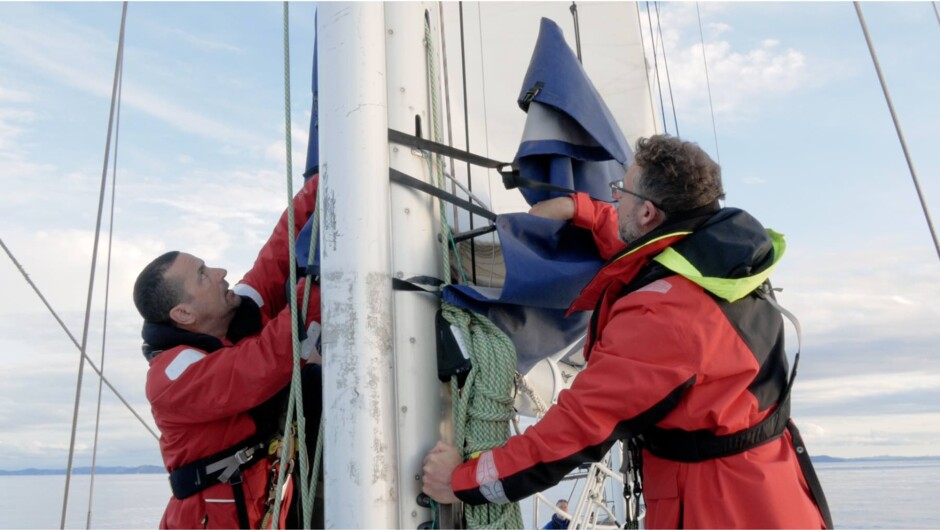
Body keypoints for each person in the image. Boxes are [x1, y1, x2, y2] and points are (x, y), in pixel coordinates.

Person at [422, 135, 832, 528]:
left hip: (722, 511)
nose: (613, 199)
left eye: (621, 192)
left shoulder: (664, 314)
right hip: (770, 490)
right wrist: (578, 208)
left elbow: (575, 429)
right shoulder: (713, 257)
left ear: (649, 212)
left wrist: (462, 482)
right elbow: (638, 249)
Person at [133, 176, 323, 529]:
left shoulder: (231, 315)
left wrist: (323, 184)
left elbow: (278, 252)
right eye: (203, 275)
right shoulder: (172, 378)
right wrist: (327, 283)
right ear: (183, 314)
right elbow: (263, 363)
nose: (221, 272)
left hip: (262, 508)